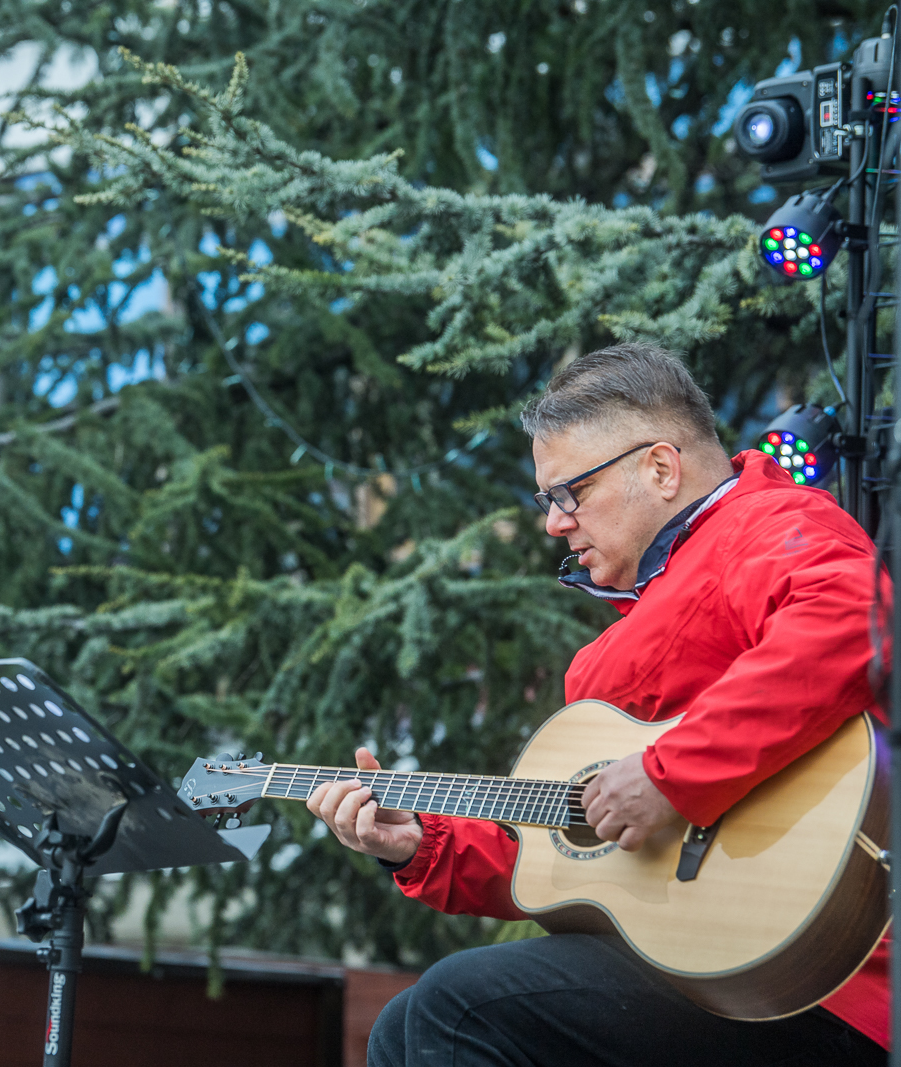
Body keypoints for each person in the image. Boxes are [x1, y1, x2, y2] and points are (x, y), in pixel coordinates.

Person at [307, 343, 890, 1066]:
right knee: (411, 1024)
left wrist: (669, 776)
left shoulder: (769, 522)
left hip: (825, 983)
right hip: (703, 968)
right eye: (547, 500)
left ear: (661, 468)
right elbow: (572, 867)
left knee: (452, 1010)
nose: (554, 523)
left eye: (569, 493)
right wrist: (420, 843)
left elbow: (853, 625)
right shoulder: (608, 654)